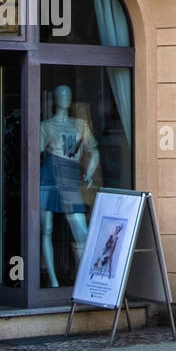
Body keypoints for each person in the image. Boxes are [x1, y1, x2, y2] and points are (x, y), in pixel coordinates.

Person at [39, 85, 99, 287]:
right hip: (50, 175)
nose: (65, 97)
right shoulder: (45, 126)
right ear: (55, 99)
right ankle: (54, 280)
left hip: (71, 176)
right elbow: (34, 152)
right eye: (61, 95)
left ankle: (83, 281)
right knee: (46, 229)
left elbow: (94, 150)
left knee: (81, 233)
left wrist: (89, 173)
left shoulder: (80, 124)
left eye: (68, 94)